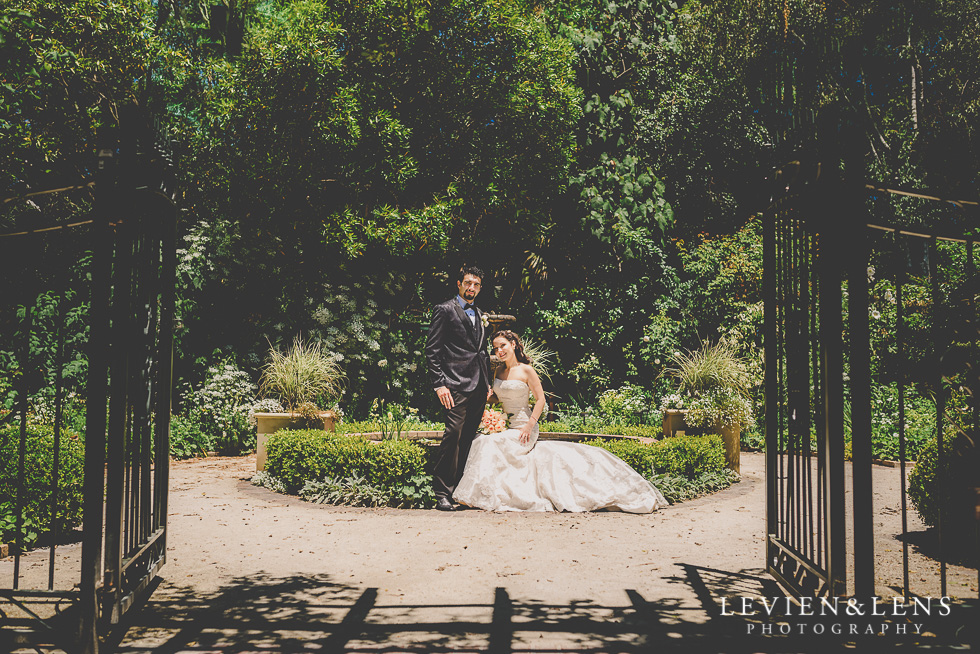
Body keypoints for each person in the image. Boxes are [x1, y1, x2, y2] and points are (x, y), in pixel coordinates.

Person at [453, 330, 668, 513]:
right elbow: (498, 397)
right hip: (507, 426)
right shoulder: (499, 371)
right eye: (495, 348)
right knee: (482, 441)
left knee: (487, 443)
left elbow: (540, 400)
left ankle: (480, 496)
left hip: (525, 427)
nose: (499, 351)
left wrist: (529, 425)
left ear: (514, 345)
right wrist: (487, 396)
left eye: (502, 346)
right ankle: (486, 495)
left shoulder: (527, 370)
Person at [425, 266, 492, 511]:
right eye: (467, 282)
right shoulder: (445, 310)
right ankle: (442, 493)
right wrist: (439, 384)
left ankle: (460, 491)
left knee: (467, 438)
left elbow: (481, 352)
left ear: (480, 287)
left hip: (477, 386)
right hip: (453, 384)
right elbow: (432, 351)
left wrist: (486, 383)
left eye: (475, 284)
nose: (471, 287)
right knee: (453, 434)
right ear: (458, 284)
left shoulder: (480, 313)